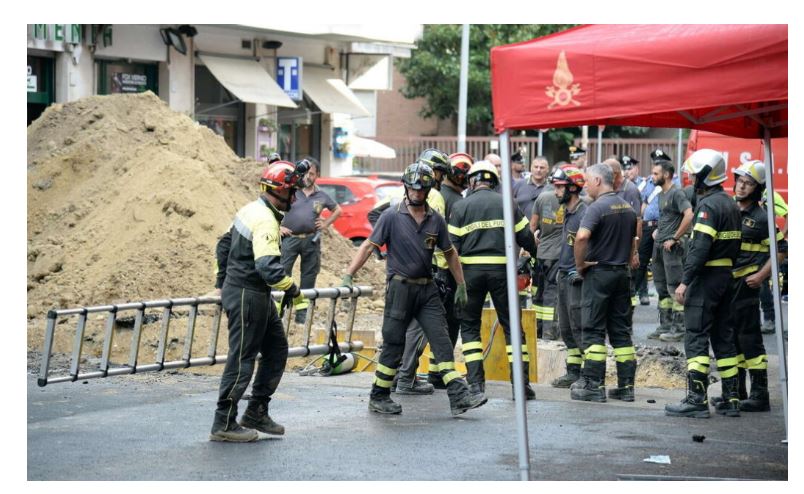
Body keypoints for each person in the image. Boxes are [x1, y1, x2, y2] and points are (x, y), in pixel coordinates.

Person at [342, 163, 486, 416]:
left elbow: (450, 253)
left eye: (422, 189)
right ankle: (379, 395)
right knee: (394, 344)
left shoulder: (435, 220)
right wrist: (348, 275)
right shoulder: (391, 217)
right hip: (400, 288)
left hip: (427, 289)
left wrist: (461, 283)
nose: (417, 193)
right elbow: (367, 246)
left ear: (429, 190)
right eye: (413, 189)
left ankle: (459, 396)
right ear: (406, 187)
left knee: (441, 341)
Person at [210, 159, 309, 442]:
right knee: (242, 359)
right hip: (247, 294)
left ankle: (256, 411)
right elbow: (267, 267)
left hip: (251, 292)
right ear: (280, 191)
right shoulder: (265, 219)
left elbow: (223, 244)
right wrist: (292, 289)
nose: (295, 197)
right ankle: (223, 423)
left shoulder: (251, 209)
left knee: (277, 349)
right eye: (293, 192)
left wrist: (222, 282)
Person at [449, 161, 540, 399]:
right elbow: (526, 237)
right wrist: (534, 255)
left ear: (472, 181)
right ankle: (521, 386)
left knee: (469, 328)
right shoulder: (507, 203)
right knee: (512, 329)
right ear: (493, 181)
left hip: (469, 274)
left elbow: (451, 249)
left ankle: (476, 385)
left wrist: (453, 280)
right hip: (503, 273)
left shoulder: (460, 207)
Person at [665, 149, 742, 419]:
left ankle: (696, 399)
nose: (690, 179)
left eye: (693, 175)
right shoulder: (730, 203)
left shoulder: (708, 206)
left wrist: (685, 282)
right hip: (726, 279)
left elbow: (699, 250)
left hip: (706, 279)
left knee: (696, 337)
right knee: (723, 338)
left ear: (704, 176)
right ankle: (732, 398)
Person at [710, 161, 786, 413]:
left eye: (748, 183)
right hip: (727, 284)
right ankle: (737, 392)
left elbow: (782, 250)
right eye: (740, 181)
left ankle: (760, 395)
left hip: (747, 285)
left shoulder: (762, 217)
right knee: (731, 339)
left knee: (749, 340)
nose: (742, 186)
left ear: (757, 188)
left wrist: (761, 276)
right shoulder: (731, 209)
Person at [572, 163, 638, 403]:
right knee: (621, 331)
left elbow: (581, 237)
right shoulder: (629, 209)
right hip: (622, 274)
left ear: (598, 181)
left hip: (599, 274)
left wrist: (580, 265)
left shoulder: (596, 208)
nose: (585, 186)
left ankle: (592, 384)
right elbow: (633, 240)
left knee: (593, 329)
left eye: (587, 181)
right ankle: (626, 387)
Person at [280, 157, 342, 323]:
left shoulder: (321, 195)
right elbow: (274, 207)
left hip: (310, 241)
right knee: (282, 275)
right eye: (306, 173)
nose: (308, 176)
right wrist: (279, 227)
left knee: (308, 278)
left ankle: (302, 319)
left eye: (312, 174)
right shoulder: (292, 190)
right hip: (289, 239)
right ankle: (279, 314)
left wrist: (326, 224)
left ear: (317, 176)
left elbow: (338, 210)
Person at [548, 165, 588, 388]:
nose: (556, 192)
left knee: (579, 325)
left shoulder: (584, 213)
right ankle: (573, 371)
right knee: (565, 327)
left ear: (573, 187)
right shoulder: (568, 212)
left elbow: (590, 245)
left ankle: (588, 375)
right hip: (563, 275)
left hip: (577, 278)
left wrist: (580, 269)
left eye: (559, 187)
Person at [646, 159, 694, 342]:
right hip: (659, 247)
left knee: (675, 287)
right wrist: (659, 231)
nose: (653, 176)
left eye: (656, 173)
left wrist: (674, 237)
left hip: (672, 248)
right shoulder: (661, 194)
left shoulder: (676, 193)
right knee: (661, 287)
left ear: (666, 175)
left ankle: (679, 327)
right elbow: (668, 217)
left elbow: (688, 214)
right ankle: (665, 325)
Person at [529, 163, 562, 340]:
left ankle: (537, 330)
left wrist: (529, 248)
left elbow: (532, 226)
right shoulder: (577, 200)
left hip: (541, 253)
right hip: (558, 255)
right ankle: (550, 331)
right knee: (552, 294)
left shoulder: (542, 198)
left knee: (538, 293)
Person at [623, 155, 654, 305]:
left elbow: (647, 203)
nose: (628, 171)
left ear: (636, 169)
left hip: (640, 224)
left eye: (630, 168)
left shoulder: (644, 184)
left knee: (640, 259)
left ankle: (643, 291)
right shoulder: (620, 186)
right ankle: (632, 291)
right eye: (626, 168)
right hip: (625, 225)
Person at [759, 190, 788, 334]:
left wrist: (783, 234)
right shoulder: (739, 194)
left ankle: (769, 320)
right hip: (746, 248)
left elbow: (788, 214)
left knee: (763, 284)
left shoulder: (770, 194)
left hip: (766, 248)